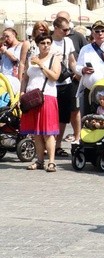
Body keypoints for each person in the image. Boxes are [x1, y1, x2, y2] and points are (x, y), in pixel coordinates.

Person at [20, 32, 62, 172]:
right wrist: (22, 92)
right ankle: (39, 161)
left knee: (48, 132)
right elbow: (25, 77)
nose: (46, 46)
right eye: (43, 43)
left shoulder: (54, 59)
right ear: (37, 45)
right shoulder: (32, 59)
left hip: (47, 96)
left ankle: (51, 161)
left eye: (48, 43)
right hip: (32, 98)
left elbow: (55, 76)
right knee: (36, 132)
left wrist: (41, 65)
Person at [51, 16, 77, 156]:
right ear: (55, 28)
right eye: (64, 29)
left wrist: (79, 71)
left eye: (68, 29)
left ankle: (58, 145)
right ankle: (47, 144)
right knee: (50, 116)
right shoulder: (47, 41)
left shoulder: (68, 41)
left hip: (65, 83)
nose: (67, 32)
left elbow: (72, 61)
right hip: (50, 84)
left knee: (63, 117)